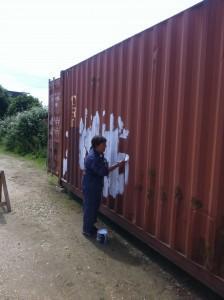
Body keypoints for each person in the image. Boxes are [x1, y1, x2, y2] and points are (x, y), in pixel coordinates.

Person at [82, 135, 125, 237]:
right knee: (90, 208)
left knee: (93, 207)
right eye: (104, 145)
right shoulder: (93, 158)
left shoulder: (96, 153)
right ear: (97, 145)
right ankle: (87, 230)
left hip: (93, 186)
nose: (105, 147)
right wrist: (118, 165)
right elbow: (104, 171)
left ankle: (90, 226)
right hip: (91, 187)